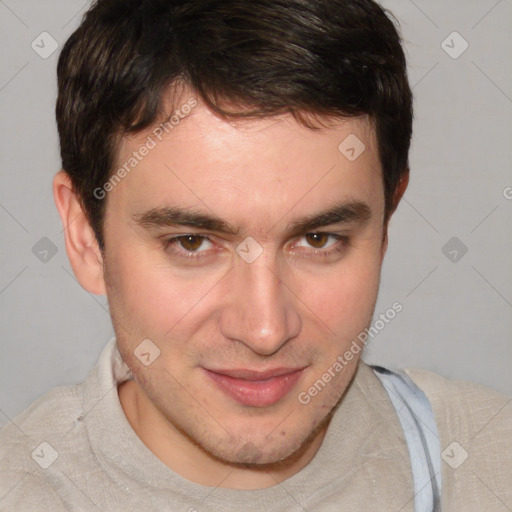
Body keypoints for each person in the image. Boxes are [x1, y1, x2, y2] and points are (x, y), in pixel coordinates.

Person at [1, 0, 510, 510]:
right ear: (85, 237)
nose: (264, 330)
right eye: (192, 242)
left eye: (318, 239)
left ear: (385, 226)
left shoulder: (490, 463)